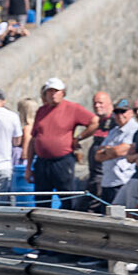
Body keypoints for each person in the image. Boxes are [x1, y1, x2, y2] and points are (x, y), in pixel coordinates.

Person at [26, 78, 99, 210]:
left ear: (63, 93)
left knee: (67, 198)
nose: (53, 94)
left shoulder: (72, 108)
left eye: (56, 91)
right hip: (42, 162)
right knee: (41, 200)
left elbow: (94, 121)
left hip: (62, 162)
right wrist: (28, 167)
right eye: (50, 91)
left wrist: (79, 138)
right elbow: (33, 139)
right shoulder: (41, 111)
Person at [93, 98, 138, 206]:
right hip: (107, 181)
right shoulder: (113, 131)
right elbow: (98, 156)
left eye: (123, 111)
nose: (119, 115)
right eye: (117, 112)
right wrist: (111, 151)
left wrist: (107, 150)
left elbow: (120, 151)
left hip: (123, 181)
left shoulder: (135, 129)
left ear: (131, 112)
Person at [79, 91, 115, 212]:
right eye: (95, 103)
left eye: (100, 103)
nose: (97, 106)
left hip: (104, 175)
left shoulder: (115, 121)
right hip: (94, 174)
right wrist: (78, 139)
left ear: (109, 103)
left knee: (92, 208)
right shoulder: (99, 121)